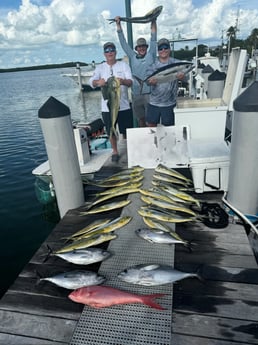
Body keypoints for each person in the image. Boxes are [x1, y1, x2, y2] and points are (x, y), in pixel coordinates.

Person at [89, 42, 133, 162]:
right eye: (107, 51)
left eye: (112, 50)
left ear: (115, 52)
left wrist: (123, 81)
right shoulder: (100, 67)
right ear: (104, 54)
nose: (110, 53)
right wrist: (98, 83)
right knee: (110, 129)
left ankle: (131, 150)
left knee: (127, 131)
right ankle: (115, 151)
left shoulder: (123, 65)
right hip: (107, 107)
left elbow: (130, 82)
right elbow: (91, 82)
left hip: (123, 105)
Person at [115, 16, 157, 127]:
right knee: (141, 120)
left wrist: (153, 21)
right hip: (136, 94)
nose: (141, 48)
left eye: (143, 46)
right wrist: (118, 25)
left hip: (150, 93)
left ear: (146, 47)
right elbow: (123, 43)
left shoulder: (151, 54)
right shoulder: (132, 56)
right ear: (136, 49)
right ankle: (143, 140)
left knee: (151, 120)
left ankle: (152, 141)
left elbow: (153, 38)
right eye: (139, 47)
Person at [146, 38, 185, 127]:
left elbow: (185, 78)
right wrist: (151, 82)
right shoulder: (153, 65)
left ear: (169, 48)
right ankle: (153, 141)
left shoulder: (177, 63)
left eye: (165, 47)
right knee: (151, 125)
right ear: (158, 50)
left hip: (170, 103)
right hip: (154, 102)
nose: (163, 50)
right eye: (160, 48)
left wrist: (182, 77)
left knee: (169, 129)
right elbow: (147, 82)